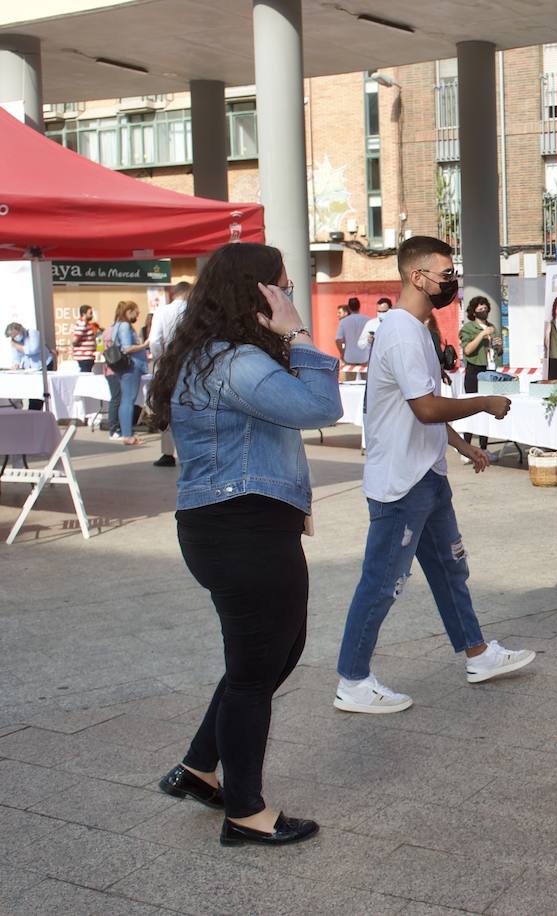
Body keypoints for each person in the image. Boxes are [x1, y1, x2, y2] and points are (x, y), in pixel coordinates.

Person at [147, 242, 341, 847]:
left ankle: (201, 769)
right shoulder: (234, 362)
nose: (288, 294)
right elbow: (322, 406)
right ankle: (246, 812)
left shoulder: (209, 356)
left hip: (232, 523)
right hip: (243, 529)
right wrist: (301, 333)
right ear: (256, 294)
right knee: (258, 670)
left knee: (270, 656)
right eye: (281, 286)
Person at [334, 236, 534, 714]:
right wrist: (484, 403)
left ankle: (478, 654)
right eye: (445, 274)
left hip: (427, 476)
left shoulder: (415, 329)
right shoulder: (402, 332)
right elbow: (425, 407)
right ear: (416, 276)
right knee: (382, 582)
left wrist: (462, 445)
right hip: (401, 484)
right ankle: (352, 680)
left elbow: (421, 407)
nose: (451, 281)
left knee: (449, 570)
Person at [148, 281, 192, 468]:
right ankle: (190, 451)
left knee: (166, 408)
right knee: (192, 406)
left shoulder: (162, 312)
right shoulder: (195, 311)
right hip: (192, 365)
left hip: (168, 366)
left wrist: (161, 360)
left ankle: (167, 453)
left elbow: (155, 341)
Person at [458, 296, 501, 455]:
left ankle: (483, 447)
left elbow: (499, 351)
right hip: (474, 370)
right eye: (480, 309)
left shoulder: (492, 327)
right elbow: (467, 350)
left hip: (490, 370)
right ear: (473, 311)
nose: (484, 311)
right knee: (471, 408)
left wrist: (498, 347)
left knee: (487, 409)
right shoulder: (469, 328)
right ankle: (466, 447)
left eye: (486, 308)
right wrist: (482, 334)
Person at [111, 301, 151, 444]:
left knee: (126, 399)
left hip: (123, 367)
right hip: (131, 367)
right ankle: (127, 435)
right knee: (128, 400)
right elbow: (127, 348)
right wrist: (144, 345)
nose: (138, 316)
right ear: (129, 311)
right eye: (136, 313)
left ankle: (126, 432)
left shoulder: (116, 325)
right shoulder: (125, 326)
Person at [335, 297, 369, 378]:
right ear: (359, 306)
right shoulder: (367, 320)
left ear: (349, 308)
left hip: (349, 356)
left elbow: (338, 339)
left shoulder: (344, 321)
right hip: (364, 356)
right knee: (367, 383)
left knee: (349, 383)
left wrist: (342, 352)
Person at [71, 305, 101, 372]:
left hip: (89, 356)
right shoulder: (82, 324)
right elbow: (75, 340)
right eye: (90, 313)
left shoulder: (90, 325)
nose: (92, 315)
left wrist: (99, 350)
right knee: (85, 374)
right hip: (84, 357)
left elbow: (99, 339)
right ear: (84, 314)